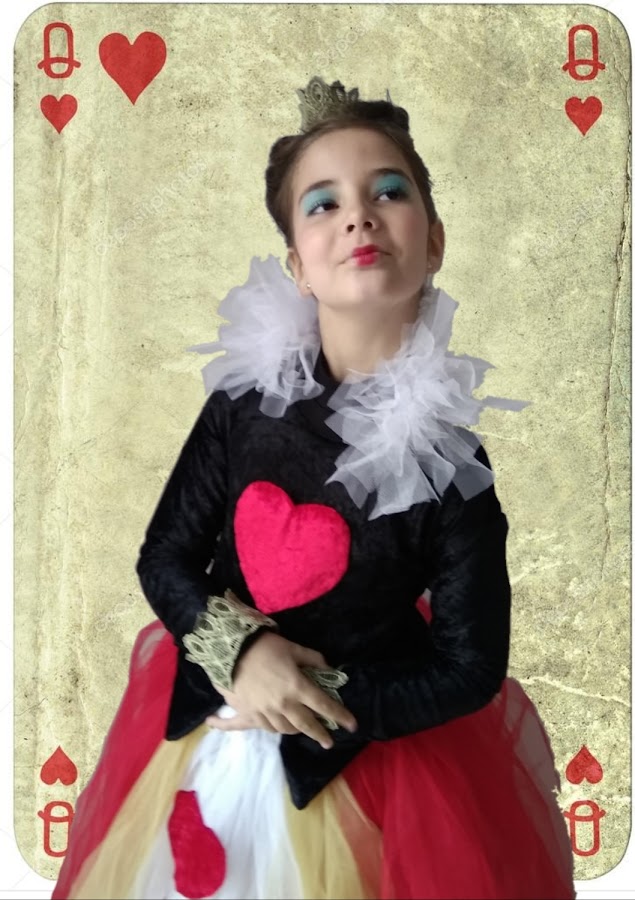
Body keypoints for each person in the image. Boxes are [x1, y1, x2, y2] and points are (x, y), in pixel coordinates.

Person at [52, 76, 576, 900]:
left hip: (361, 767)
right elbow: (166, 557)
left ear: (434, 241)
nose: (358, 216)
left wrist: (312, 696)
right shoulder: (243, 410)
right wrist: (241, 653)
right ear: (297, 265)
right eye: (323, 203)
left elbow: (470, 667)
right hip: (212, 729)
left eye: (387, 192)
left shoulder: (450, 467)